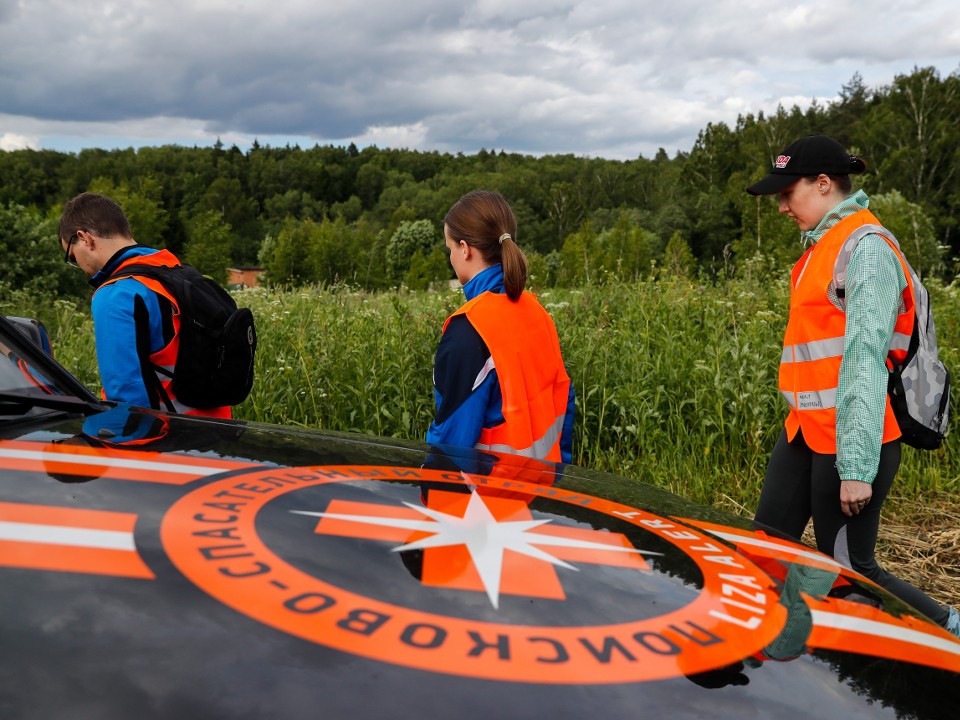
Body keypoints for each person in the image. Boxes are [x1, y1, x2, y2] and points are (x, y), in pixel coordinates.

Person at [745, 135, 959, 638]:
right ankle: (774, 651)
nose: (781, 207)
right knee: (766, 548)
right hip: (804, 432)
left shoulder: (867, 250)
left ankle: (948, 635)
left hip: (854, 442)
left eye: (786, 193)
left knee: (850, 571)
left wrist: (856, 468)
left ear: (823, 185)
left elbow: (864, 360)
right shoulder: (823, 247)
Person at [427, 190, 575, 465]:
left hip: (487, 501)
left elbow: (451, 443)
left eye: (449, 249)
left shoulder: (469, 330)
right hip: (542, 495)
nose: (451, 258)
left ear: (464, 248)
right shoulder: (537, 313)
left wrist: (431, 497)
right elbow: (563, 404)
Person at [58, 192, 231, 418]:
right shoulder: (175, 271)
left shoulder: (116, 294)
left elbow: (125, 394)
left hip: (168, 440)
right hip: (217, 431)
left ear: (85, 238)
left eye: (72, 257)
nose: (78, 265)